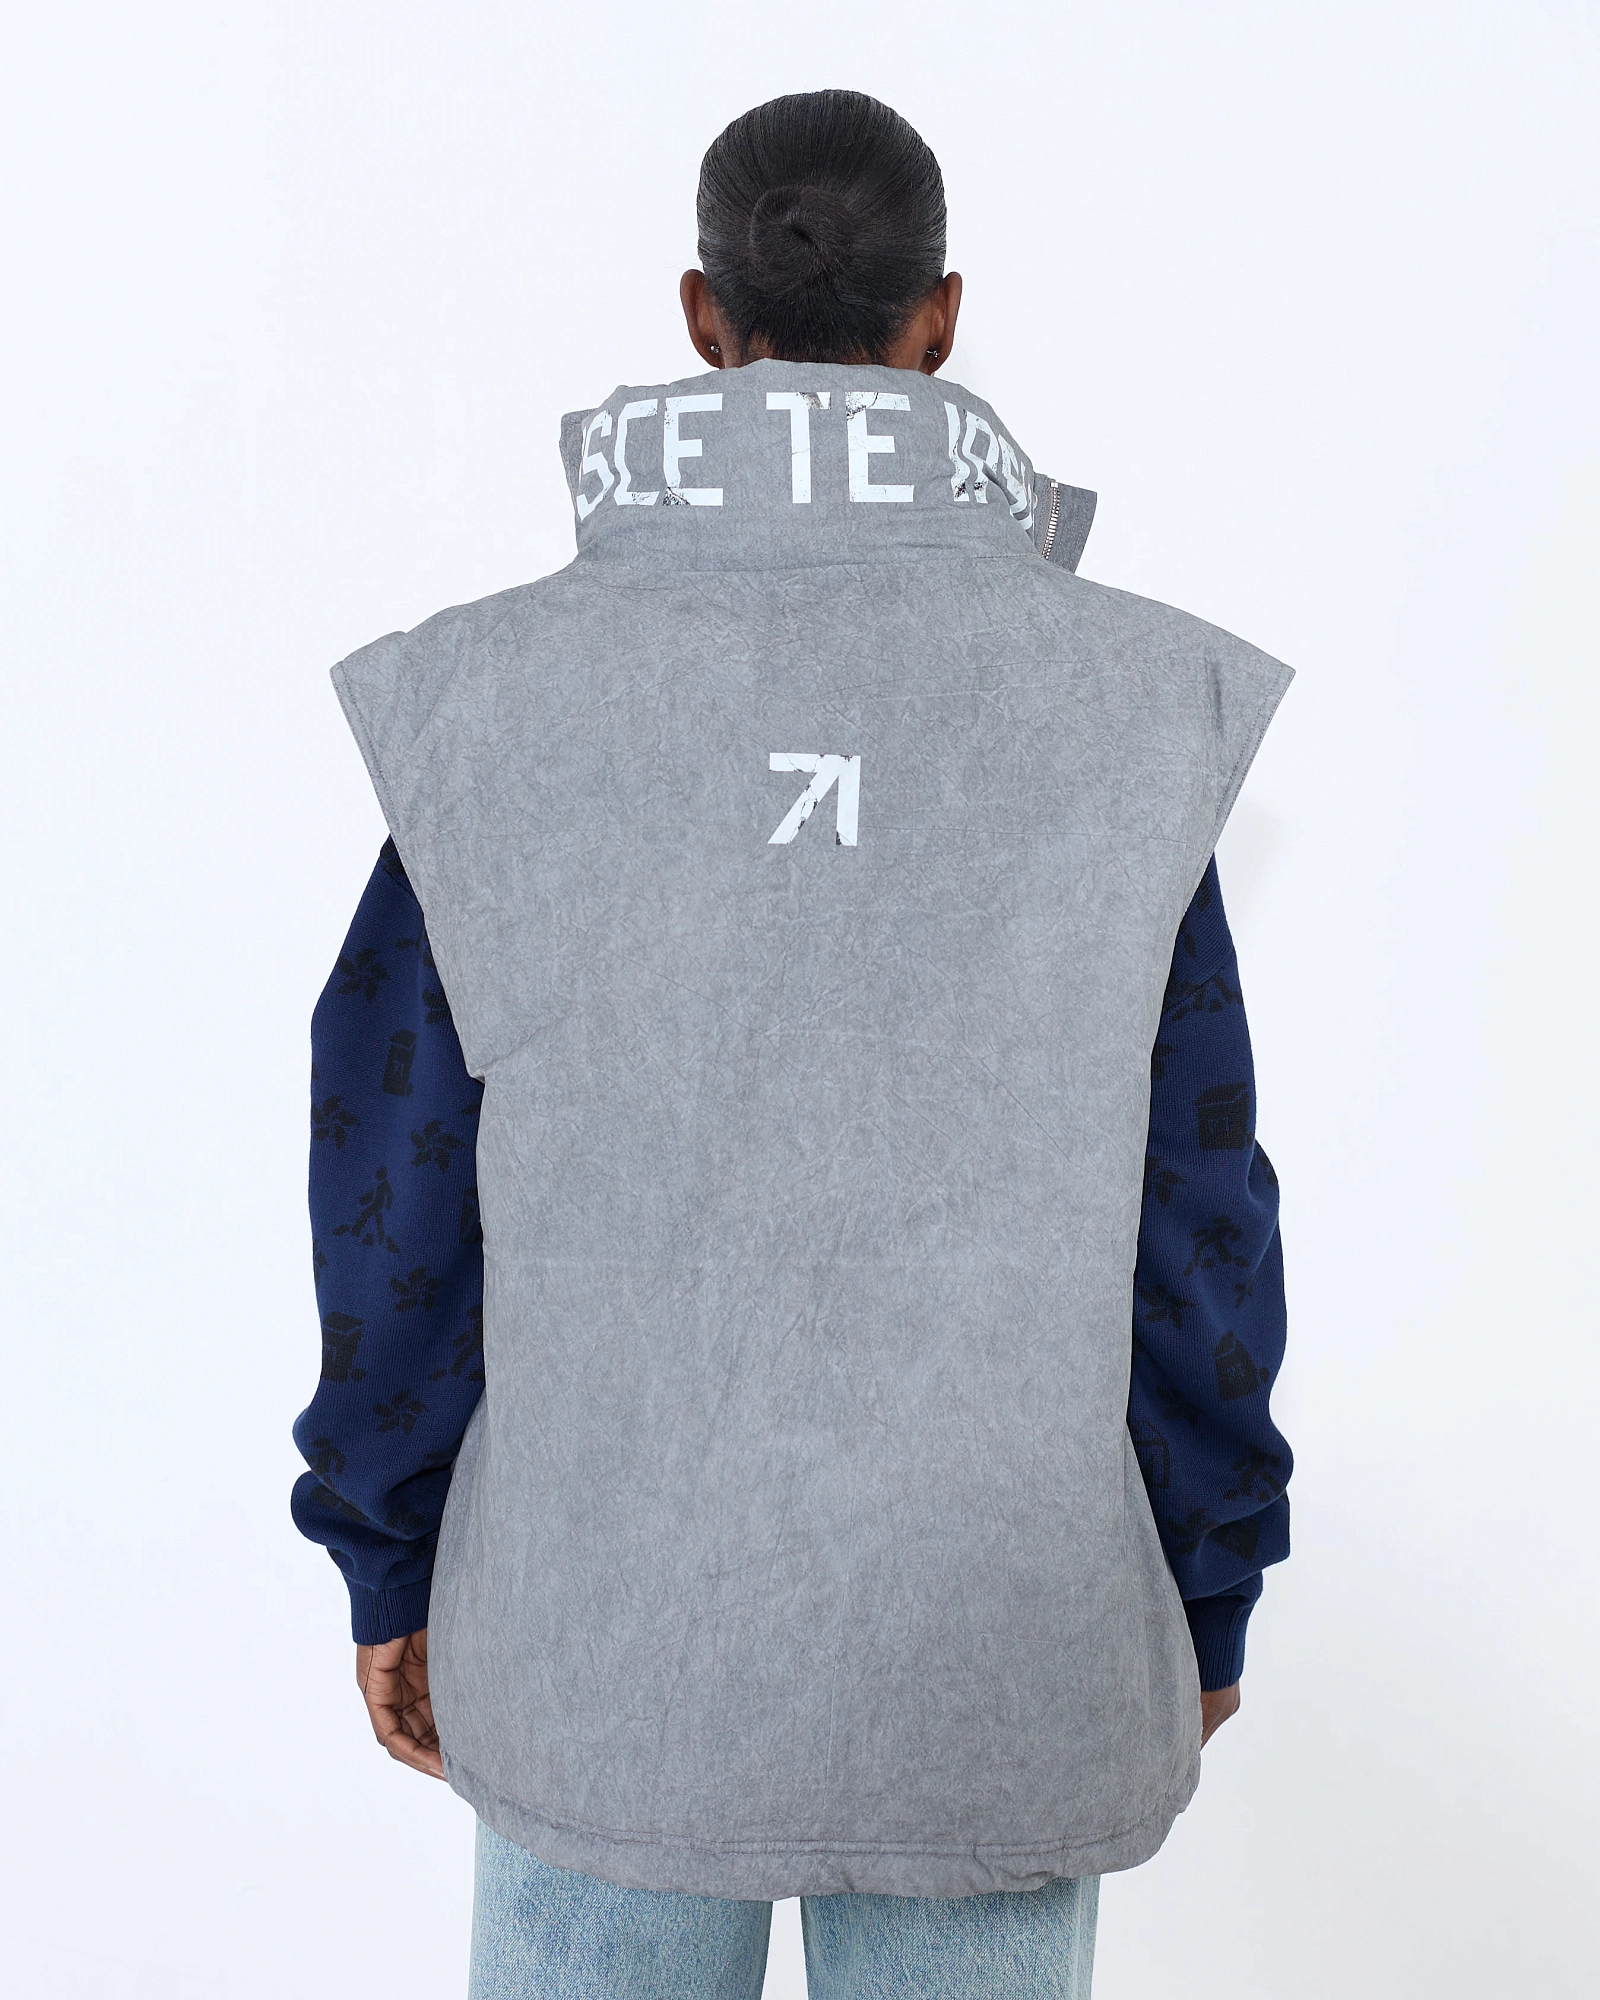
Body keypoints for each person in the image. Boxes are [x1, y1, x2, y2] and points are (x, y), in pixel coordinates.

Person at [292, 88, 1293, 2000]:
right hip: (998, 1642)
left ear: (701, 315)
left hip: (599, 1637)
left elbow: (393, 1184)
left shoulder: (487, 701)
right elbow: (1199, 1209)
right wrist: (1208, 1574)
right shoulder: (1124, 702)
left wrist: (388, 1547)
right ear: (942, 317)